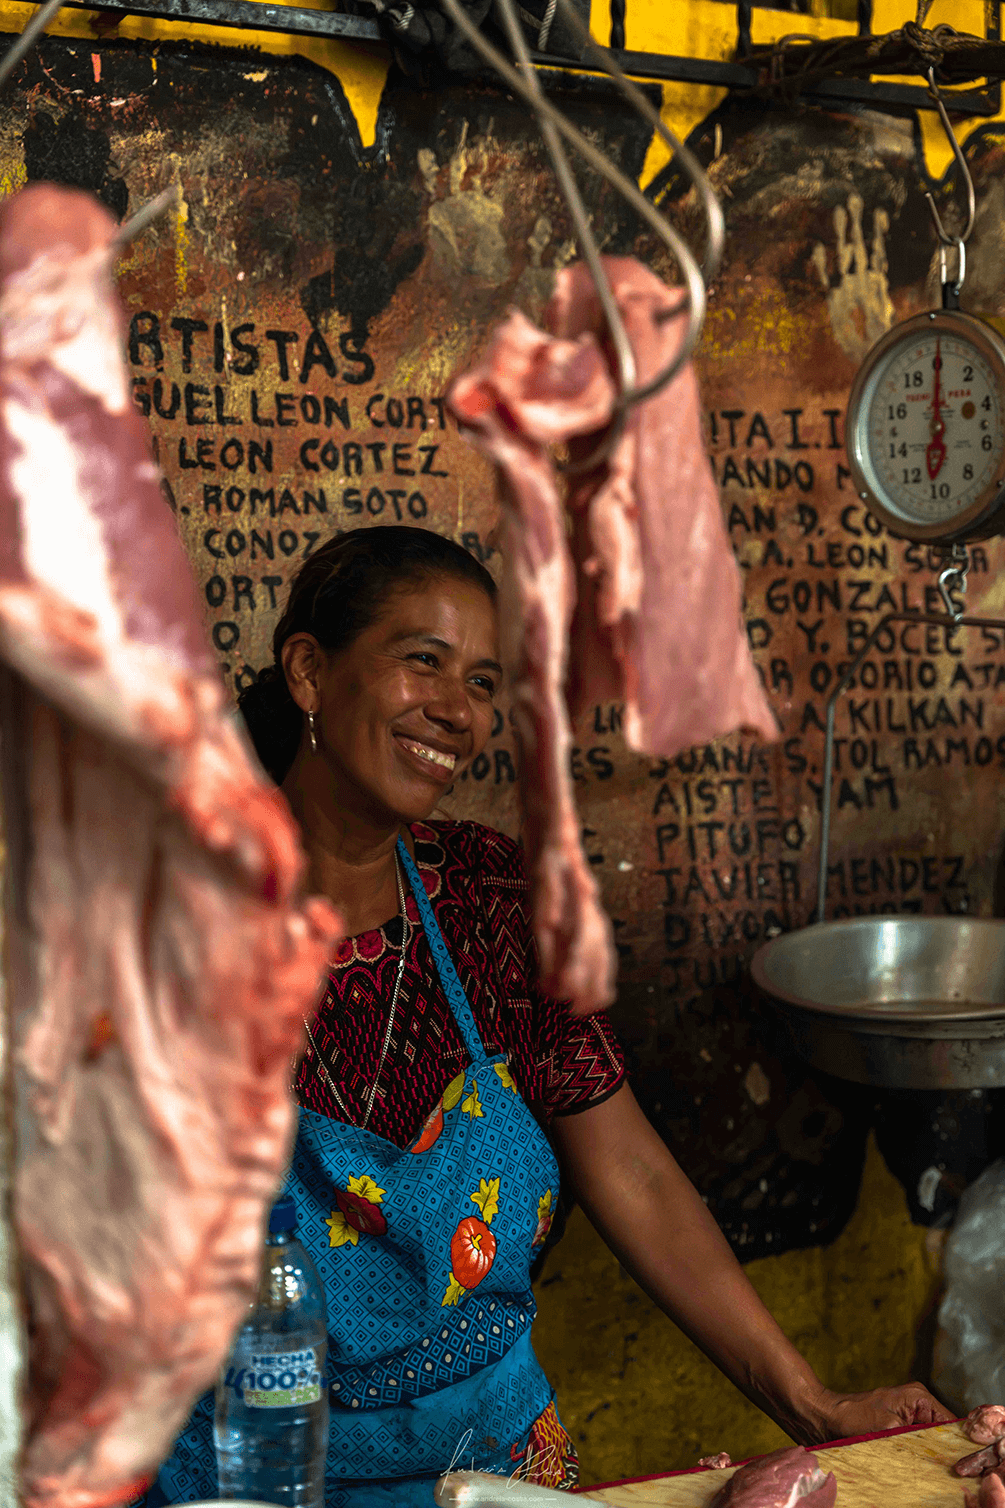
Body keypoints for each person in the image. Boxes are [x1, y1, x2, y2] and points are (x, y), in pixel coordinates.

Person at [147, 525, 950, 1507]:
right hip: (253, 1470)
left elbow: (632, 1169)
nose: (457, 709)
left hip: (496, 1468)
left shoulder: (493, 899)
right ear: (311, 671)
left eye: (484, 683)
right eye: (423, 661)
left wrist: (814, 1404)